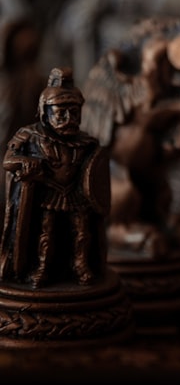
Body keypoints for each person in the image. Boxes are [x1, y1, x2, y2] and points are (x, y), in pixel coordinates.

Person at [0, 67, 109, 287]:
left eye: (75, 113)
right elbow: (8, 161)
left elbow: (96, 172)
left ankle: (81, 266)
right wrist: (27, 163)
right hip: (48, 193)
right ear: (45, 112)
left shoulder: (86, 142)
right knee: (45, 233)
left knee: (81, 232)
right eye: (61, 113)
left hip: (76, 195)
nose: (69, 119)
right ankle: (41, 268)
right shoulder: (29, 136)